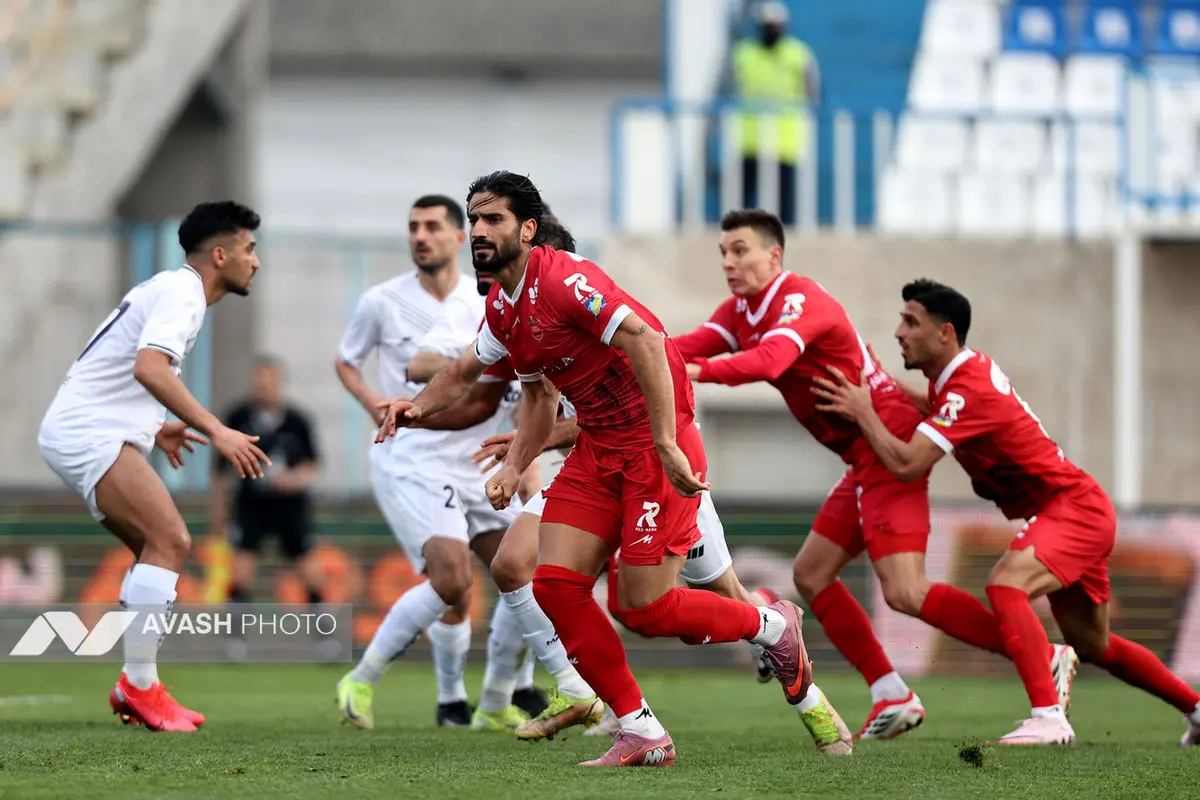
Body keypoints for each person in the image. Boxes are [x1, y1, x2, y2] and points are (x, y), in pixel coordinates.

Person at [377, 171, 808, 768]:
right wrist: (418, 410)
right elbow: (493, 383)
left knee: (646, 609)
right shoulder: (501, 305)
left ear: (527, 229)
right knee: (553, 584)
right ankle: (641, 729)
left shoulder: (564, 280)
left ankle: (770, 628)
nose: (478, 230)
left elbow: (649, 344)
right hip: (599, 449)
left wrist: (665, 441)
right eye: (473, 219)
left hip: (655, 446)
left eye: (492, 219)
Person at [672, 210, 1077, 739]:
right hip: (863, 457)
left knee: (905, 591)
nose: (728, 261)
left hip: (886, 445)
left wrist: (686, 372)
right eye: (723, 251)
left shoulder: (801, 302)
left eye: (740, 250)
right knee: (812, 573)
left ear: (774, 255)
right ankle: (892, 693)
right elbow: (687, 344)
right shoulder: (741, 311)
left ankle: (1039, 654)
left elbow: (770, 363)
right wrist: (634, 353)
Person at [812, 278, 1200, 747]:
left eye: (910, 321)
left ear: (945, 333)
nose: (899, 331)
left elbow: (908, 463)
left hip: (1071, 510)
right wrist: (878, 385)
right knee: (1095, 644)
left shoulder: (965, 389)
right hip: (1077, 509)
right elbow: (933, 409)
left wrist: (863, 411)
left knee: (1005, 583)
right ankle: (1196, 708)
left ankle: (1049, 717)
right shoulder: (955, 379)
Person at [476, 403, 853, 756]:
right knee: (514, 563)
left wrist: (532, 442)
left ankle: (808, 695)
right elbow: (506, 386)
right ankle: (584, 691)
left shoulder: (616, 336)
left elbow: (625, 412)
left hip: (656, 467)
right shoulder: (517, 335)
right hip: (589, 471)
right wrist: (424, 406)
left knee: (700, 598)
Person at [37, 201, 270, 732]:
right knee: (172, 540)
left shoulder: (170, 288)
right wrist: (218, 429)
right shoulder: (184, 292)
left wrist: (156, 425)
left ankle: (138, 682)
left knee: (157, 548)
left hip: (88, 428)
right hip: (88, 433)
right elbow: (149, 366)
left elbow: (120, 364)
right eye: (249, 249)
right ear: (220, 254)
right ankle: (138, 686)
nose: (255, 262)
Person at [334, 194, 533, 730]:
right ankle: (378, 682)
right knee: (452, 579)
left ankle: (494, 698)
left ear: (458, 237)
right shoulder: (383, 301)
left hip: (477, 459)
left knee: (522, 569)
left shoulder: (490, 294)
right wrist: (377, 404)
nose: (420, 236)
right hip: (415, 455)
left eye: (432, 227)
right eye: (413, 227)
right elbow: (354, 362)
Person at [209, 355, 330, 661]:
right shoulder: (238, 417)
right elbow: (220, 472)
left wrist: (294, 479)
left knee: (311, 573)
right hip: (251, 506)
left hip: (291, 507)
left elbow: (312, 465)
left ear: (280, 382)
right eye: (258, 379)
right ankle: (233, 642)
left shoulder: (297, 421)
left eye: (270, 379)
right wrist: (219, 512)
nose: (263, 386)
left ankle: (324, 641)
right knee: (241, 573)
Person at [732, 1, 820, 226]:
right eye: (767, 25)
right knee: (745, 196)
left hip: (784, 139)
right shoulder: (744, 54)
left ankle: (783, 234)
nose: (771, 30)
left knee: (784, 197)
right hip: (751, 137)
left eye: (775, 25)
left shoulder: (798, 55)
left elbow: (813, 93)